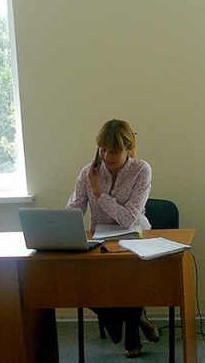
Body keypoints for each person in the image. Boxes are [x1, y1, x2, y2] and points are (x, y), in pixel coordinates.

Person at [67, 119, 160, 358]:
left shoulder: (141, 170)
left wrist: (98, 192)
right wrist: (62, 223)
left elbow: (128, 218)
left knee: (130, 278)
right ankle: (134, 317)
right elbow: (75, 209)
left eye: (114, 151)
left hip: (135, 239)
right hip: (101, 241)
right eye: (103, 149)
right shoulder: (89, 172)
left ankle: (131, 336)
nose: (107, 156)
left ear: (130, 149)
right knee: (79, 283)